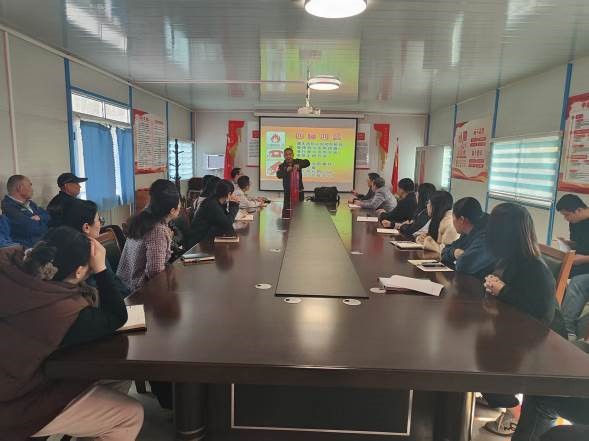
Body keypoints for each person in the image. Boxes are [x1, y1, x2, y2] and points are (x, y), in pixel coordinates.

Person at [0, 226, 143, 440]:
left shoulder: (9, 264)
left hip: (17, 378)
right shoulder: (61, 312)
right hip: (15, 403)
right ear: (78, 272)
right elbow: (116, 316)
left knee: (116, 377)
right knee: (130, 415)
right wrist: (101, 270)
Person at [482, 202, 566, 436]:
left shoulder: (535, 268)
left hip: (543, 343)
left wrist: (503, 291)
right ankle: (496, 395)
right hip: (512, 330)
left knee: (481, 358)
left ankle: (507, 403)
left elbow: (542, 316)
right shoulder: (509, 258)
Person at [117, 179, 180, 292]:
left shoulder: (144, 217)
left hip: (124, 285)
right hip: (137, 292)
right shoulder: (157, 230)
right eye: (179, 203)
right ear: (172, 210)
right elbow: (155, 271)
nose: (180, 205)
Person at [63, 199, 130, 297]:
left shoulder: (67, 246)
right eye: (99, 220)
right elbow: (105, 288)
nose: (100, 223)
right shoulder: (91, 251)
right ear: (86, 227)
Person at [441, 197, 496, 279]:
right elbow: (444, 251)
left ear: (461, 219)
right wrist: (454, 252)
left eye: (453, 217)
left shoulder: (485, 236)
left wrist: (459, 256)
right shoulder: (467, 232)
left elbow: (463, 265)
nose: (452, 221)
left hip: (480, 283)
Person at [1, 174, 50, 248]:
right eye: (30, 185)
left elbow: (48, 216)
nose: (32, 189)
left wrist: (40, 217)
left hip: (42, 244)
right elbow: (31, 228)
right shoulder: (8, 207)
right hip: (28, 250)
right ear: (20, 188)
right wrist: (44, 223)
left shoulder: (31, 203)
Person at [187, 180, 240, 247]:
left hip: (205, 238)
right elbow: (227, 224)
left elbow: (225, 219)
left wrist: (230, 204)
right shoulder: (212, 204)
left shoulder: (215, 201)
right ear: (229, 194)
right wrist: (234, 205)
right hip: (199, 242)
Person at [556, 194, 589, 276]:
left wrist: (584, 259)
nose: (565, 218)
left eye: (566, 215)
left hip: (584, 262)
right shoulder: (574, 222)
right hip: (577, 260)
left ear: (579, 210)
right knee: (554, 267)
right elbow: (581, 244)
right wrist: (568, 243)